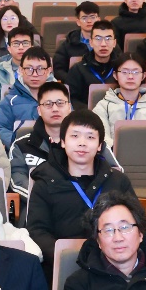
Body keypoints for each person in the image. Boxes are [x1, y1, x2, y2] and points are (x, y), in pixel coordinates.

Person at [26, 110, 136, 280]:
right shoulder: (46, 182)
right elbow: (37, 231)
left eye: (90, 137)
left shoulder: (118, 181)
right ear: (63, 142)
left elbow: (136, 224)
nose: (82, 143)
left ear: (100, 145)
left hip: (114, 264)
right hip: (64, 265)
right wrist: (67, 257)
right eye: (75, 136)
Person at [9, 83, 123, 201]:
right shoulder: (21, 145)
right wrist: (47, 199)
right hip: (38, 205)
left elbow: (115, 172)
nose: (55, 109)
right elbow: (17, 181)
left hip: (92, 204)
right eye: (48, 104)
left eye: (60, 103)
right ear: (39, 110)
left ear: (69, 107)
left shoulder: (92, 143)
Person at [92, 54, 146, 145]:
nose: (130, 76)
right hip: (115, 152)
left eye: (136, 72)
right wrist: (120, 149)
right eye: (124, 72)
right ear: (115, 75)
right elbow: (101, 137)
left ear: (143, 76)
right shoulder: (104, 106)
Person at [0, 47, 57, 147]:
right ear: (21, 70)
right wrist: (19, 144)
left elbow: (70, 125)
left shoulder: (60, 100)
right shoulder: (10, 101)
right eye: (29, 69)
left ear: (48, 71)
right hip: (20, 152)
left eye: (40, 69)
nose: (35, 74)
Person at [64, 19, 121, 109]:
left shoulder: (121, 69)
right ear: (91, 42)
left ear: (114, 43)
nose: (103, 44)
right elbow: (71, 99)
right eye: (98, 39)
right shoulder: (78, 70)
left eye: (108, 39)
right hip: (86, 115)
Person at [0, 24, 37, 111]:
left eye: (25, 43)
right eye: (16, 43)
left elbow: (53, 95)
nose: (21, 47)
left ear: (32, 47)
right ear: (9, 48)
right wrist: (10, 108)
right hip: (7, 116)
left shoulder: (42, 69)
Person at [0, 5, 34, 81]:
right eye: (5, 19)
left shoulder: (33, 44)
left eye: (13, 18)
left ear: (19, 20)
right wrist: (4, 79)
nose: (9, 22)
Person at [54, 1, 102, 80]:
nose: (89, 21)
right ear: (78, 22)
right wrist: (72, 81)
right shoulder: (68, 44)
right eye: (84, 18)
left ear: (99, 20)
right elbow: (58, 70)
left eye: (92, 17)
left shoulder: (107, 42)